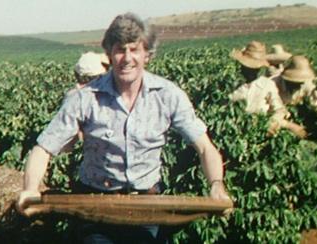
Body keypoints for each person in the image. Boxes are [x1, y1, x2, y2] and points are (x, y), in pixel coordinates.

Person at [17, 12, 231, 243]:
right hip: (94, 207)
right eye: (119, 49)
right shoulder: (85, 98)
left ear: (147, 54)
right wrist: (30, 188)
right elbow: (44, 148)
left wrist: (216, 185)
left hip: (146, 207)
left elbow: (205, 148)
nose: (127, 58)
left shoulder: (169, 96)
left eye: (134, 49)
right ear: (109, 54)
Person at [229, 41, 307, 138]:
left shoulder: (267, 85)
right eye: (248, 67)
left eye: (255, 68)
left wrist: (272, 121)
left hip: (259, 131)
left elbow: (279, 109)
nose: (251, 71)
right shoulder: (231, 84)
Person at [269, 55, 317, 150]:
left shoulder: (305, 83)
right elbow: (267, 115)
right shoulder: (272, 85)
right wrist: (289, 125)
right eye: (296, 82)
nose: (300, 85)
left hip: (292, 116)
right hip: (276, 121)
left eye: (301, 82)